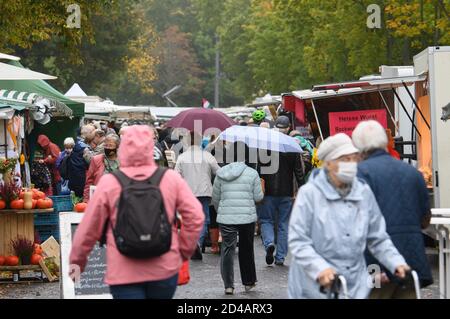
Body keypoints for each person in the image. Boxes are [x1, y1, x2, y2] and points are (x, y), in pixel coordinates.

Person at [69, 125, 204, 299]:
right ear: (151, 147)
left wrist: (77, 262)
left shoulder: (109, 183)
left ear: (123, 148)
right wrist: (183, 251)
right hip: (164, 268)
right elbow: (195, 216)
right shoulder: (170, 179)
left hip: (123, 271)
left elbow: (89, 228)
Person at [288, 133, 410, 299]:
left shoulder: (363, 192)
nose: (351, 164)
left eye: (354, 159)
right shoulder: (309, 194)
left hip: (355, 285)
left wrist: (396, 262)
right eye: (345, 159)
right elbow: (298, 240)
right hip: (315, 286)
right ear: (329, 163)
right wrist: (319, 268)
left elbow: (377, 237)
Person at [352, 120, 433, 298]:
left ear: (359, 147)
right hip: (411, 262)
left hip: (374, 265)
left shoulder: (359, 174)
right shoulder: (413, 173)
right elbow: (425, 220)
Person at [212, 142, 264, 295]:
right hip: (247, 218)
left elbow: (216, 198)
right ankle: (248, 282)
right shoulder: (252, 173)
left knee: (227, 249)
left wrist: (221, 211)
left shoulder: (221, 173)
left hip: (226, 218)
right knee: (247, 249)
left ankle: (228, 285)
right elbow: (258, 197)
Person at [258, 116, 305, 266]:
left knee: (266, 220)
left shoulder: (266, 146)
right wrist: (302, 190)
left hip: (268, 192)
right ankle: (280, 257)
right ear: (289, 127)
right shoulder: (292, 146)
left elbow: (259, 170)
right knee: (284, 224)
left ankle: (269, 243)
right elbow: (299, 172)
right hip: (287, 192)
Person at [175, 131, 220, 260]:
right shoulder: (207, 156)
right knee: (203, 219)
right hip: (204, 192)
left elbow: (176, 175)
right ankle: (198, 243)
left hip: (187, 193)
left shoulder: (182, 157)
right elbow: (218, 172)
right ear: (200, 141)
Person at [83, 134, 120, 203]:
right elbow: (89, 181)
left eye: (110, 145)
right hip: (100, 198)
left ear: (117, 147)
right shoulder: (96, 160)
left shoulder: (123, 161)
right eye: (106, 145)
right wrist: (86, 199)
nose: (108, 148)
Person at [67, 125, 94, 198]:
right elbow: (91, 162)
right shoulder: (84, 147)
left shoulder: (77, 144)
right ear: (85, 134)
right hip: (82, 181)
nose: (94, 134)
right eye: (92, 132)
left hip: (75, 180)